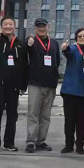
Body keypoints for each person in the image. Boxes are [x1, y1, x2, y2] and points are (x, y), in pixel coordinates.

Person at [0, 17, 29, 153]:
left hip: (14, 86)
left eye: (11, 24)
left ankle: (9, 143)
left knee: (12, 115)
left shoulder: (20, 44)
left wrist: (23, 85)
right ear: (1, 27)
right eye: (5, 24)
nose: (8, 26)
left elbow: (24, 65)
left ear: (14, 26)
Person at [25, 18, 60, 153]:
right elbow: (25, 49)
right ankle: (31, 141)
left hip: (50, 84)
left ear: (47, 27)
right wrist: (28, 44)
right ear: (35, 28)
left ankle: (41, 141)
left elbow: (57, 61)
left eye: (43, 26)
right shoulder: (31, 41)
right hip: (35, 83)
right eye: (38, 26)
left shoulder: (54, 43)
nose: (41, 29)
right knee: (33, 113)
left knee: (45, 115)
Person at [60, 28, 84, 154]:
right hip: (70, 92)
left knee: (82, 121)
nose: (83, 38)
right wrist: (65, 48)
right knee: (69, 121)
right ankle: (68, 145)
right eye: (80, 36)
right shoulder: (73, 49)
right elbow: (68, 53)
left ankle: (79, 144)